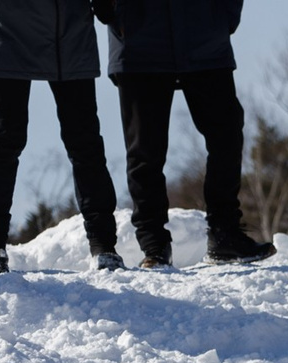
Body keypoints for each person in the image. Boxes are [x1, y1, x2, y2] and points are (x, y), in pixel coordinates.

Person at [99, 0, 277, 269]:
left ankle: (225, 233)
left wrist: (225, 14)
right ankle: (154, 246)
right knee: (145, 150)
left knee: (226, 134)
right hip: (138, 36)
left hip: (204, 32)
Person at [0, 0, 123, 273]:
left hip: (70, 30)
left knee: (85, 140)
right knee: (4, 137)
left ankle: (103, 246)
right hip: (5, 28)